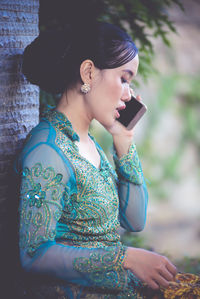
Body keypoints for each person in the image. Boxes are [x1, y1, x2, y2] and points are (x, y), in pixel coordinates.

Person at [15, 21, 177, 298]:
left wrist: (123, 140)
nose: (128, 94)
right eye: (124, 78)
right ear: (88, 72)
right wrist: (124, 258)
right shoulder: (48, 150)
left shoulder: (89, 146)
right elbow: (34, 254)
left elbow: (134, 220)